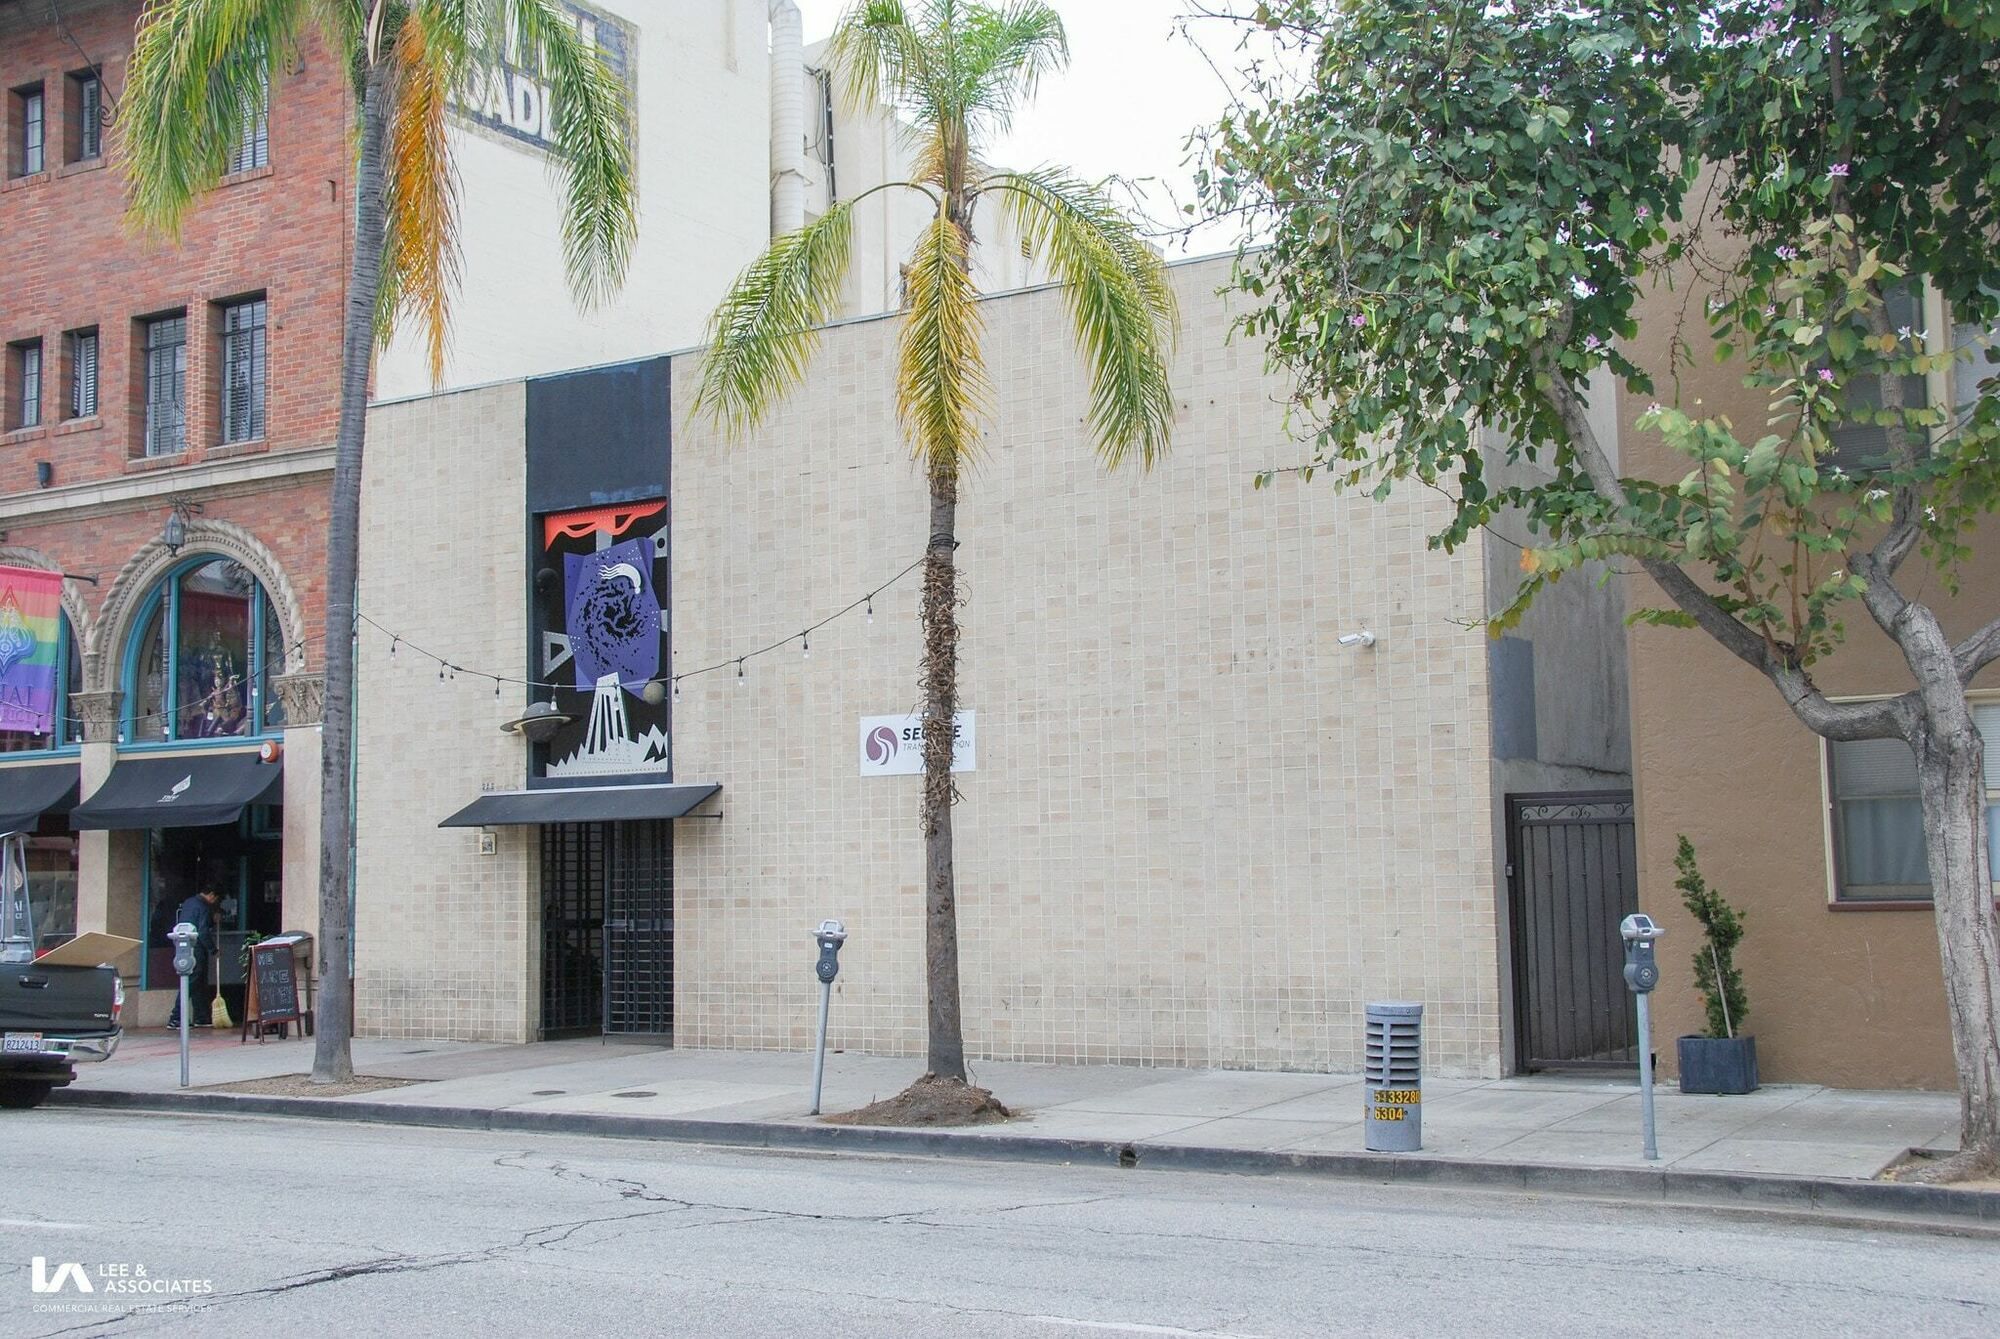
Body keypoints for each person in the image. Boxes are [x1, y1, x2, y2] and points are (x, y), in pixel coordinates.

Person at [165, 887, 222, 1028]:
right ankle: (176, 1018)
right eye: (215, 899)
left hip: (183, 946)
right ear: (211, 895)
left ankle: (201, 1017)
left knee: (197, 983)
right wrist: (213, 950)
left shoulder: (189, 902)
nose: (214, 902)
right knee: (190, 982)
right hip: (196, 948)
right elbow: (203, 932)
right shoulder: (203, 907)